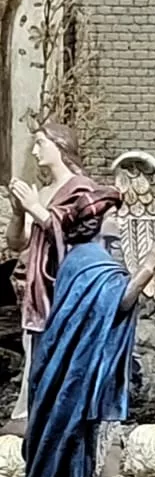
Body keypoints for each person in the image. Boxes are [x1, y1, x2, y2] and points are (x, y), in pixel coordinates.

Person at [11, 174, 155, 477]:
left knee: (54, 438)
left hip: (56, 365)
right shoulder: (94, 261)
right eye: (114, 217)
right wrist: (148, 265)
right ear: (96, 222)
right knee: (64, 439)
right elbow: (121, 302)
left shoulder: (77, 258)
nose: (118, 226)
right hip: (72, 372)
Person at [4, 124, 102, 434]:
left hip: (64, 287)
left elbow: (77, 239)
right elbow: (17, 244)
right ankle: (30, 411)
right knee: (35, 349)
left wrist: (35, 208)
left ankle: (57, 416)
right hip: (36, 290)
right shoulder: (43, 192)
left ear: (59, 146)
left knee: (60, 351)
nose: (34, 151)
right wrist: (20, 212)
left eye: (40, 144)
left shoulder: (82, 189)